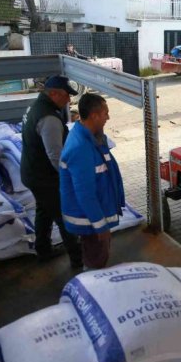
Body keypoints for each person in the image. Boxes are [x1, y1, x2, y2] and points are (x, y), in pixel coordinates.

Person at [21, 75, 82, 268]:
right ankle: (78, 259)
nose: (69, 100)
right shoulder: (49, 118)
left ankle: (43, 250)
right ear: (53, 93)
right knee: (64, 215)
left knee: (44, 210)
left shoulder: (36, 106)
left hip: (32, 171)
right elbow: (55, 155)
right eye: (66, 95)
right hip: (44, 177)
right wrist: (69, 177)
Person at [59, 93, 124, 270]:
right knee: (96, 263)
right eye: (105, 113)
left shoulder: (90, 137)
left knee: (95, 258)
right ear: (94, 116)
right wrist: (100, 226)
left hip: (93, 219)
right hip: (90, 223)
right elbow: (85, 194)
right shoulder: (81, 147)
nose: (108, 117)